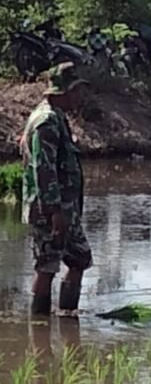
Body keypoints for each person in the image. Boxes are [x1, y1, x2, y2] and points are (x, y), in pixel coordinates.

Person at [19, 62, 93, 316]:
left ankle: (64, 317)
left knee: (76, 259)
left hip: (63, 208)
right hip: (53, 210)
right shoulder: (47, 121)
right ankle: (42, 322)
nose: (79, 95)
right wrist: (55, 212)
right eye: (76, 90)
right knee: (49, 265)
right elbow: (44, 168)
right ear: (63, 92)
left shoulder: (55, 116)